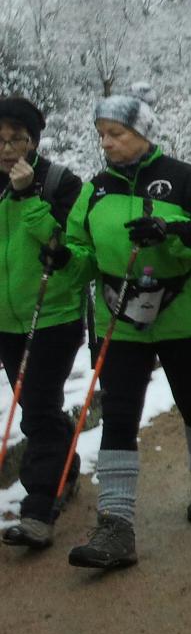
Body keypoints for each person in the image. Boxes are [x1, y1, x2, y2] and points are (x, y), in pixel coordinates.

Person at [64, 83, 191, 571]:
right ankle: (116, 525)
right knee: (119, 412)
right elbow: (81, 248)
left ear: (141, 132)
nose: (107, 143)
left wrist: (172, 235)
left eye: (116, 132)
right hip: (120, 318)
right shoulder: (96, 189)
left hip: (181, 312)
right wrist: (63, 257)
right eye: (102, 134)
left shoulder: (184, 179)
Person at [0, 97, 86, 550]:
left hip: (53, 316)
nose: (7, 147)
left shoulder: (59, 183)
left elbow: (67, 249)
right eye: (0, 138)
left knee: (35, 407)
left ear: (34, 140)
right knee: (40, 404)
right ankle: (65, 469)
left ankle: (38, 509)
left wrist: (29, 195)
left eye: (17, 137)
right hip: (6, 321)